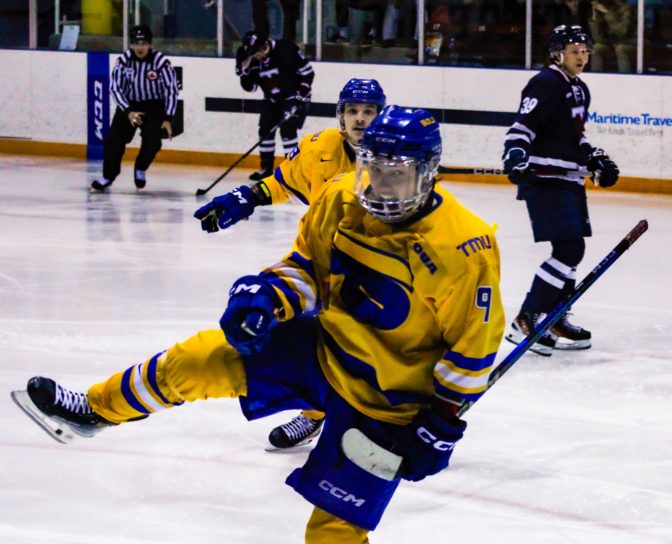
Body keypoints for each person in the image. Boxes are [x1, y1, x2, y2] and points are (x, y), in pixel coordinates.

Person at [14, 105, 505, 543]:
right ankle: (97, 409)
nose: (378, 183)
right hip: (322, 350)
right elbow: (307, 268)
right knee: (196, 360)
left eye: (394, 174)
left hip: (386, 401)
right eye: (371, 168)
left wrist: (440, 423)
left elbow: (472, 351)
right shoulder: (339, 198)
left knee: (334, 530)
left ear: (427, 174)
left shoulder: (464, 248)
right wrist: (268, 298)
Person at [194, 78, 388, 450]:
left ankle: (377, 417)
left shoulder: (397, 156)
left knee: (368, 348)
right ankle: (315, 413)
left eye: (368, 111)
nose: (360, 119)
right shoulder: (321, 148)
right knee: (307, 336)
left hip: (378, 270)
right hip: (321, 261)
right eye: (352, 111)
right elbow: (284, 181)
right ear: (340, 116)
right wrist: (246, 197)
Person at [501, 24, 619, 356]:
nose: (581, 57)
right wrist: (515, 154)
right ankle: (527, 319)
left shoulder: (579, 89)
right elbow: (522, 126)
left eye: (584, 51)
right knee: (569, 250)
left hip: (568, 179)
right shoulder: (545, 83)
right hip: (544, 178)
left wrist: (593, 159)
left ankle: (555, 317)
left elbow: (573, 137)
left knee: (571, 251)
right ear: (558, 54)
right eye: (574, 51)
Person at [91, 25, 178, 192]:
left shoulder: (161, 63)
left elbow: (171, 90)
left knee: (152, 142)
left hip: (154, 106)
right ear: (131, 45)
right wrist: (128, 111)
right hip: (130, 104)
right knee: (113, 141)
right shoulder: (123, 61)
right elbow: (116, 88)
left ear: (150, 44)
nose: (140, 47)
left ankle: (140, 168)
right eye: (137, 43)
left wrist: (168, 118)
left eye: (144, 43)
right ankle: (108, 176)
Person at [236, 30, 315, 181]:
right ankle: (266, 168)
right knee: (265, 130)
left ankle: (292, 170)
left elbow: (308, 73)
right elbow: (251, 88)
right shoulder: (253, 60)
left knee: (287, 130)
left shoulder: (286, 49)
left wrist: (298, 100)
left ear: (264, 45)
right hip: (271, 99)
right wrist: (244, 73)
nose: (255, 57)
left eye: (256, 52)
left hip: (296, 96)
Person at [589, 0, 636, 73]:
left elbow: (622, 33)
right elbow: (598, 39)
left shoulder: (626, 9)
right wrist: (595, 18)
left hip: (632, 45)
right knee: (597, 48)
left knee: (620, 49)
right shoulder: (601, 10)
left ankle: (625, 80)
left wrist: (608, 14)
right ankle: (596, 81)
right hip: (612, 46)